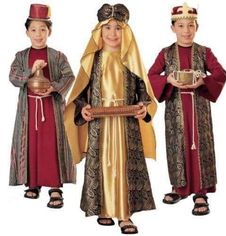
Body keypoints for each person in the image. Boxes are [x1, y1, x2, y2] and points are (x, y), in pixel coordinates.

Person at [64, 3, 157, 234]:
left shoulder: (131, 59)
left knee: (124, 165)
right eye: (108, 28)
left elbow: (144, 91)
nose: (113, 33)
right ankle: (104, 208)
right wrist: (84, 108)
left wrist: (143, 108)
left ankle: (125, 215)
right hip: (99, 122)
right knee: (103, 164)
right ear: (99, 31)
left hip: (126, 123)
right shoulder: (92, 60)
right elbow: (80, 92)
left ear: (126, 31)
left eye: (118, 28)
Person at [148, 2, 226, 216]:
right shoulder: (165, 53)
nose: (186, 31)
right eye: (181, 26)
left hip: (199, 108)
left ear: (197, 28)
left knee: (199, 146)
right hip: (175, 110)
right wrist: (169, 80)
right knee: (178, 145)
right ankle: (179, 188)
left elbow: (220, 73)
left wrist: (202, 81)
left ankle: (201, 191)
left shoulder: (204, 52)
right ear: (173, 28)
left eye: (191, 26)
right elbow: (151, 76)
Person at [9, 4, 76, 209]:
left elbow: (69, 75)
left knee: (51, 144)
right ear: (27, 32)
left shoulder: (57, 56)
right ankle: (33, 183)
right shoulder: (21, 56)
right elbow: (13, 77)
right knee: (31, 143)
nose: (38, 34)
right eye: (34, 30)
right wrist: (31, 70)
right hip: (28, 108)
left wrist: (54, 88)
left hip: (51, 108)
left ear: (50, 31)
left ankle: (55, 186)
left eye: (43, 29)